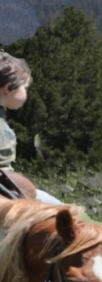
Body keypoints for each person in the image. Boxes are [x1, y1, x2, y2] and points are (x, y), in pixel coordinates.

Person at [0, 52, 61, 204]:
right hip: (6, 192)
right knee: (60, 209)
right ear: (8, 88)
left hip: (8, 186)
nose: (27, 93)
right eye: (25, 88)